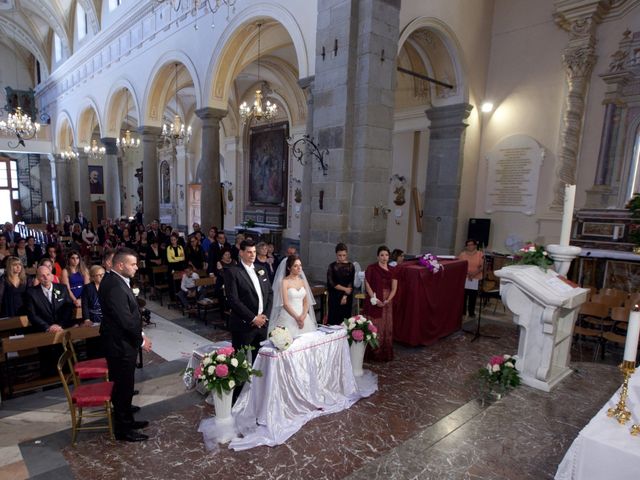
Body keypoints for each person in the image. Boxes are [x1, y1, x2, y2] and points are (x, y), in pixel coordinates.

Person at [98, 248, 152, 442]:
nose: (136, 267)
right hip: (120, 345)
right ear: (120, 265)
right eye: (133, 264)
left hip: (121, 343)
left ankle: (127, 418)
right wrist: (142, 339)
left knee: (126, 385)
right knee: (122, 387)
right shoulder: (113, 286)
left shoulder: (116, 280)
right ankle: (123, 430)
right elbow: (125, 320)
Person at [223, 239, 273, 362]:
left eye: (254, 252)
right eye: (249, 252)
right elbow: (234, 300)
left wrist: (264, 316)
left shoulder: (262, 269)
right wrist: (253, 318)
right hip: (244, 325)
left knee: (260, 363)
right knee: (240, 364)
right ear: (241, 253)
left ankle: (257, 382)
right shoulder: (233, 272)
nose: (253, 255)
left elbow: (270, 294)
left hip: (262, 325)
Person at [363, 245, 398, 362]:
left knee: (385, 327)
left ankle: (384, 353)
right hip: (375, 299)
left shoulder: (393, 270)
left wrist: (388, 300)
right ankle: (373, 353)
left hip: (387, 301)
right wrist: (374, 298)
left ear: (389, 257)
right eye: (382, 255)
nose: (384, 257)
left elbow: (394, 288)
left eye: (386, 255)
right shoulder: (371, 268)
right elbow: (367, 284)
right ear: (377, 256)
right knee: (375, 325)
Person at [269, 255, 317, 338]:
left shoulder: (303, 281)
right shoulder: (284, 282)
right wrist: (297, 318)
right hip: (289, 315)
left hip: (303, 315)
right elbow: (285, 304)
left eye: (300, 265)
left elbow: (306, 302)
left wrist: (303, 316)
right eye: (295, 266)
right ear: (288, 268)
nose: (299, 268)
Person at [25, 266, 75, 332]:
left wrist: (60, 325)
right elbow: (32, 315)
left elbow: (68, 309)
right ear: (38, 278)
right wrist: (48, 328)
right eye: (42, 276)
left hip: (63, 327)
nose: (46, 278)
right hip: (43, 331)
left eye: (48, 274)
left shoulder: (62, 288)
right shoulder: (31, 293)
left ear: (52, 276)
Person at [326, 243, 355, 325]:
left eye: (344, 255)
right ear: (336, 254)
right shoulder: (332, 266)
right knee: (334, 320)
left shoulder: (351, 266)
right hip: (335, 296)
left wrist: (345, 295)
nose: (342, 257)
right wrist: (345, 289)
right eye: (340, 255)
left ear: (347, 254)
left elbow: (351, 282)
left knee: (346, 321)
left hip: (347, 297)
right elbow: (331, 283)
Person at [457, 238, 484, 319]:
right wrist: (468, 274)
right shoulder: (462, 254)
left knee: (473, 296)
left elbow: (482, 266)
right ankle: (463, 312)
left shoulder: (480, 254)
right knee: (464, 296)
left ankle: (471, 312)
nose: (469, 246)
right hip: (465, 277)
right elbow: (460, 266)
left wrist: (473, 274)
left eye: (471, 244)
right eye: (468, 245)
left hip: (475, 278)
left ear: (475, 245)